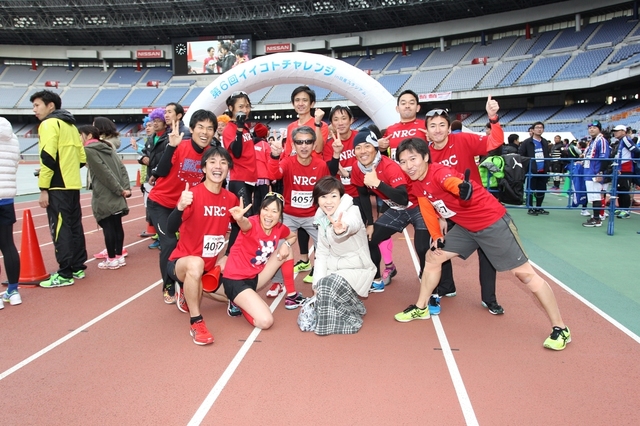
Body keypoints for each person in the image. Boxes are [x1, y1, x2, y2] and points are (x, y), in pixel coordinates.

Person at [395, 138, 571, 351]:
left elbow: (452, 182)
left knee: (525, 274)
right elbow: (425, 206)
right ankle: (421, 307)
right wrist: (435, 235)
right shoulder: (417, 182)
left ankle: (561, 328)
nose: (408, 165)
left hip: (492, 222)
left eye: (413, 159)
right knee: (433, 257)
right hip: (466, 227)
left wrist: (462, 189)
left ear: (425, 157)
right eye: (403, 161)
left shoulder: (439, 173)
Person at [425, 99, 504, 315]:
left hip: (476, 208)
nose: (438, 130)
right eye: (433, 126)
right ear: (427, 131)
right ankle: (446, 286)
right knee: (439, 246)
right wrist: (439, 216)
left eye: (442, 125)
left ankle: (489, 299)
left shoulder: (463, 140)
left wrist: (493, 118)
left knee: (486, 253)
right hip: (448, 211)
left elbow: (495, 141)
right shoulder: (426, 156)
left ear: (449, 128)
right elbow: (427, 188)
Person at [165, 146, 239, 345]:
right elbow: (170, 229)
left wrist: (228, 254)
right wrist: (180, 207)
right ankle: (196, 321)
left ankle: (188, 290)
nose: (218, 166)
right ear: (204, 168)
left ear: (228, 168)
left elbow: (238, 229)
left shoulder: (230, 199)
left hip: (209, 268)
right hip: (182, 262)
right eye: (212, 162)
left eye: (223, 163)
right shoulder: (192, 195)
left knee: (235, 296)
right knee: (195, 264)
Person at [147, 110, 218, 303]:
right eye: (200, 127)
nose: (205, 132)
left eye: (209, 128)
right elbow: (161, 171)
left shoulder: (211, 154)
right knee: (170, 243)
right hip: (161, 204)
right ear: (192, 129)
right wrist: (171, 146)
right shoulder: (179, 145)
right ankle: (169, 284)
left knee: (193, 243)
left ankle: (190, 277)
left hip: (186, 206)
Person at [266, 126, 340, 304]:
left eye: (308, 142)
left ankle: (324, 280)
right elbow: (273, 174)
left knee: (326, 246)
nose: (304, 146)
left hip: (313, 216)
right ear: (293, 145)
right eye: (299, 142)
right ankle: (277, 281)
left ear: (314, 145)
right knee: (278, 246)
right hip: (289, 215)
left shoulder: (320, 165)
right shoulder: (287, 162)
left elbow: (327, 190)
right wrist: (275, 156)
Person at [350, 130, 430, 293]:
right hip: (396, 209)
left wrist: (377, 183)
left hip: (417, 206)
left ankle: (427, 277)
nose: (363, 151)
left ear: (375, 148)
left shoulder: (389, 166)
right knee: (370, 240)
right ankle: (376, 280)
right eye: (358, 147)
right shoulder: (357, 168)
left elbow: (403, 198)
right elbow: (363, 195)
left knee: (422, 247)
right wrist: (370, 223)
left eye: (367, 146)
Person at [30, 90, 87, 288]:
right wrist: (67, 169)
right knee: (74, 226)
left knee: (60, 229)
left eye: (37, 105)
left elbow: (47, 157)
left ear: (50, 106)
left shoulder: (48, 124)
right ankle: (78, 266)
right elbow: (81, 158)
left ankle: (64, 274)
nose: (34, 110)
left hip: (57, 186)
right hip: (72, 185)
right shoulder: (71, 125)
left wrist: (43, 187)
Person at [222, 192, 299, 329]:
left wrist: (286, 244)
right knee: (265, 321)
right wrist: (240, 219)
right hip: (236, 280)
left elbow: (293, 236)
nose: (269, 215)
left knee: (286, 250)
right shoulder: (253, 222)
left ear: (280, 215)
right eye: (266, 209)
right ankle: (237, 301)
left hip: (255, 277)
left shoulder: (279, 228)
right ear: (260, 210)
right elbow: (245, 225)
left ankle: (292, 296)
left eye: (274, 211)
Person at [310, 176, 375, 335]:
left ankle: (349, 323)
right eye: (323, 196)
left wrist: (342, 229)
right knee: (322, 287)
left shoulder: (352, 211)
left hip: (357, 268)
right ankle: (354, 305)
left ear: (341, 197)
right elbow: (322, 254)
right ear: (317, 199)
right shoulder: (321, 219)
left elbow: (352, 224)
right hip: (335, 269)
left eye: (333, 196)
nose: (328, 201)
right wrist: (316, 285)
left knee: (327, 286)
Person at [79, 125, 131, 270]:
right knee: (117, 225)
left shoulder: (89, 150)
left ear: (89, 136)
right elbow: (122, 168)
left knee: (108, 226)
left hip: (105, 193)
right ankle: (119, 256)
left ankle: (111, 259)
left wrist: (119, 190)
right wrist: (125, 188)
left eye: (80, 135)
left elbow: (103, 172)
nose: (79, 138)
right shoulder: (107, 147)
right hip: (117, 193)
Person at [222, 92, 257, 250]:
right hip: (239, 179)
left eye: (247, 106)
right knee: (244, 219)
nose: (245, 110)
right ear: (231, 108)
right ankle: (232, 254)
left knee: (242, 220)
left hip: (250, 179)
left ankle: (234, 254)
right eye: (241, 106)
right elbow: (236, 152)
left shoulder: (246, 129)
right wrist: (239, 128)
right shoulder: (230, 129)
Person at [138, 107, 169, 248]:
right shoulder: (151, 138)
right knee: (154, 209)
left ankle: (166, 238)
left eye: (158, 121)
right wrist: (142, 158)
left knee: (164, 209)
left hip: (164, 178)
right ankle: (160, 236)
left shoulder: (168, 138)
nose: (155, 123)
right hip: (152, 178)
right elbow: (143, 153)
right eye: (153, 121)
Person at [0, 117, 21, 308]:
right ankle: (13, 291)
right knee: (8, 244)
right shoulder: (12, 136)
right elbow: (14, 164)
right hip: (6, 197)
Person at [581, 120, 610, 227]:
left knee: (596, 196)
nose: (591, 130)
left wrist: (600, 172)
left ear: (599, 129)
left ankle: (597, 219)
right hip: (589, 172)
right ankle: (596, 217)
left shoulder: (601, 140)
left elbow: (604, 157)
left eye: (594, 128)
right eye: (590, 128)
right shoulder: (593, 141)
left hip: (594, 172)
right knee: (593, 197)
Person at [518, 121, 551, 215]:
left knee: (541, 189)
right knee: (530, 190)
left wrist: (547, 165)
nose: (539, 129)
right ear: (532, 130)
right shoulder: (527, 142)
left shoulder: (544, 141)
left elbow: (547, 155)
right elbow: (521, 155)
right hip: (531, 170)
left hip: (543, 170)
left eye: (541, 127)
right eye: (537, 127)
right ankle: (530, 208)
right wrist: (528, 165)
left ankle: (539, 207)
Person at [611, 124, 638, 219]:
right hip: (620, 168)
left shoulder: (626, 139)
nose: (615, 133)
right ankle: (621, 208)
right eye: (614, 131)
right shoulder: (621, 141)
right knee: (620, 189)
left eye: (617, 131)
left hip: (626, 168)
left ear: (623, 131)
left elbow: (636, 150)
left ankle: (626, 210)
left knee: (624, 189)